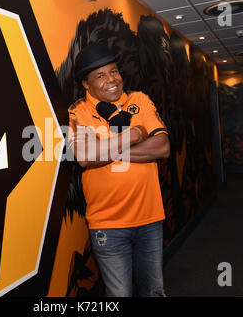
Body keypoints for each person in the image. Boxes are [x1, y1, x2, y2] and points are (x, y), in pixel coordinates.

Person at [67, 42, 170, 297]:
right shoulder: (79, 111)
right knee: (119, 295)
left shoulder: (140, 100)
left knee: (154, 290)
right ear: (86, 84)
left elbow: (162, 148)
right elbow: (84, 156)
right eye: (100, 76)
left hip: (150, 218)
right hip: (107, 225)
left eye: (113, 71)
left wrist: (105, 149)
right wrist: (135, 134)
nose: (111, 80)